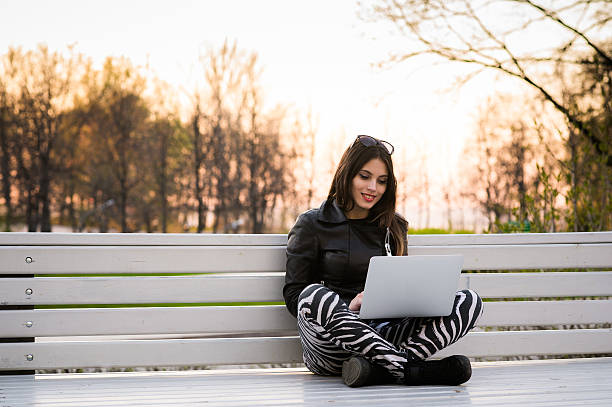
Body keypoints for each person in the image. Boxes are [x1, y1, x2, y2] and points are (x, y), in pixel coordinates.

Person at [283, 135, 483, 387]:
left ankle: (378, 370)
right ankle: (408, 369)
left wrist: (417, 299)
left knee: (470, 301)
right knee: (312, 295)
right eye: (364, 177)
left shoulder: (394, 226)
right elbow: (294, 296)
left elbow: (401, 285)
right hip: (332, 345)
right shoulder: (312, 223)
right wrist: (349, 305)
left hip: (385, 334)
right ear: (347, 174)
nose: (373, 188)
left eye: (382, 181)